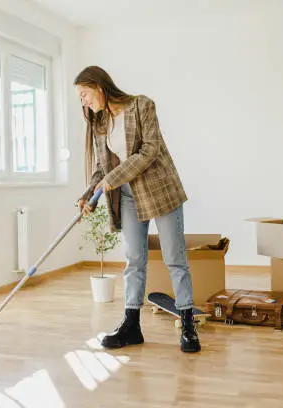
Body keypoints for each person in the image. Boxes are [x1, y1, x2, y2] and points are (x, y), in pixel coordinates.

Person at [74, 66, 200, 353]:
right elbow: (102, 169)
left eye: (84, 94)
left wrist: (110, 179)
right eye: (80, 98)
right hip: (127, 195)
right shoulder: (100, 122)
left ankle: (188, 323)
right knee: (134, 259)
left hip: (159, 189)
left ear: (99, 86)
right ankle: (131, 325)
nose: (84, 102)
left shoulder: (142, 105)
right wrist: (86, 194)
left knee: (174, 258)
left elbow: (149, 150)